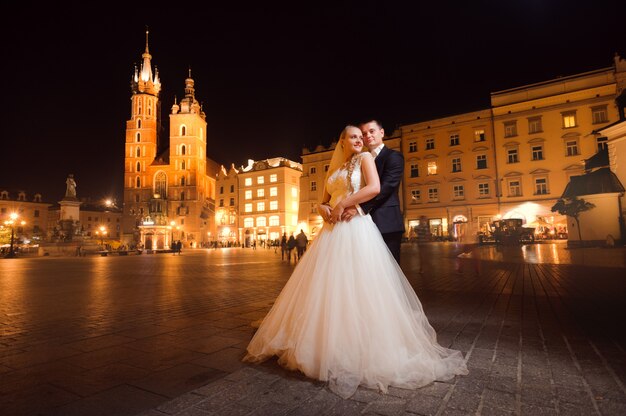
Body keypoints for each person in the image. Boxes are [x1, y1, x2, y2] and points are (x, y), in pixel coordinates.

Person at [243, 125, 468, 399]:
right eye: (353, 137)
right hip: (331, 231)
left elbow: (374, 188)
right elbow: (321, 199)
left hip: (355, 226)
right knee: (326, 287)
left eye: (361, 137)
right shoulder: (334, 166)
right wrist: (324, 208)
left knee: (358, 285)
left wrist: (344, 204)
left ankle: (360, 346)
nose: (359, 140)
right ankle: (323, 342)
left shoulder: (365, 159)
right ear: (342, 141)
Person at [341, 120, 404, 264]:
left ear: (381, 132)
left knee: (390, 270)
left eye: (371, 131)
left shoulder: (394, 156)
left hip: (387, 222)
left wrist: (358, 207)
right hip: (363, 225)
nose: (367, 135)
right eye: (363, 133)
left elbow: (386, 188)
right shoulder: (360, 159)